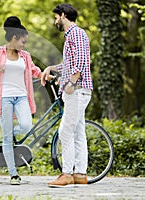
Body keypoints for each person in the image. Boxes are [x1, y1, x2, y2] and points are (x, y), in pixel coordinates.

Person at [0, 16, 42, 185]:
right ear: (14, 38)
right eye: (23, 42)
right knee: (6, 140)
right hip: (4, 98)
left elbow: (34, 70)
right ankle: (13, 174)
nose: (24, 45)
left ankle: (9, 132)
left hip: (21, 97)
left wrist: (45, 74)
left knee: (27, 125)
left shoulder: (25, 56)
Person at [41, 4, 93, 187]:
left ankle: (67, 174)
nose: (55, 21)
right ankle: (80, 174)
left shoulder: (76, 33)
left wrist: (71, 83)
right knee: (78, 132)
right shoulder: (72, 35)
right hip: (78, 89)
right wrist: (51, 68)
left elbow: (80, 61)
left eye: (56, 17)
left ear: (63, 15)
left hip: (76, 90)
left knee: (65, 131)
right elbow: (70, 64)